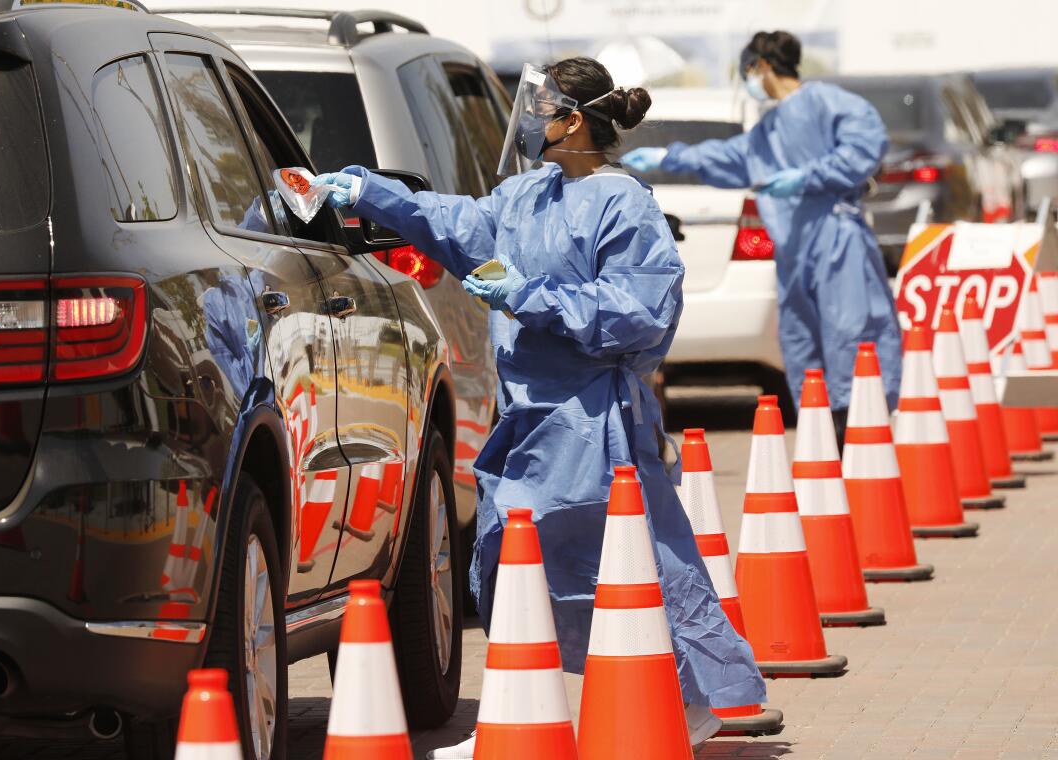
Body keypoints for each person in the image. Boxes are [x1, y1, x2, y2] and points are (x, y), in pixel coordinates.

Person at [312, 57, 765, 758]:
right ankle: (555, 713)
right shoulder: (526, 195)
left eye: (540, 106)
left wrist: (528, 295)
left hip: (594, 420)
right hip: (535, 420)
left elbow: (642, 312)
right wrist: (369, 192)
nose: (528, 119)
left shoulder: (625, 204)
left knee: (621, 567)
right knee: (527, 566)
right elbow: (456, 221)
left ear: (574, 120)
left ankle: (674, 701)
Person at [623, 31, 902, 443]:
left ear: (763, 66)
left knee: (852, 336)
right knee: (802, 344)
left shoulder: (830, 103)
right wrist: (669, 156)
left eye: (747, 71)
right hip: (794, 251)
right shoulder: (769, 129)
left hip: (838, 240)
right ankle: (826, 435)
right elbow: (731, 156)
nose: (748, 80)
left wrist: (809, 177)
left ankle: (855, 430)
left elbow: (866, 147)